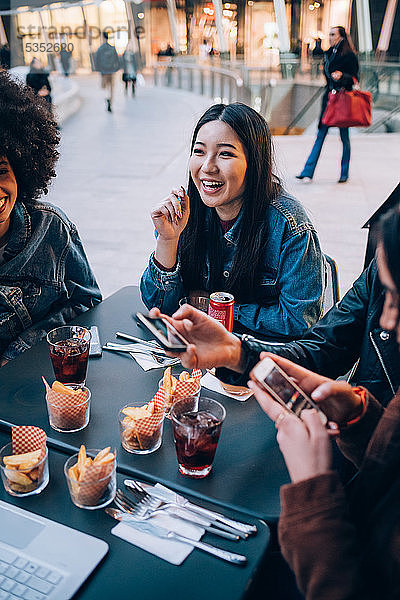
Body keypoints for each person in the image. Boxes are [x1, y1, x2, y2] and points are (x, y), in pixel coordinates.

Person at [245, 203, 400, 599]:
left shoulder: (289, 226)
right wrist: (360, 417)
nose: (384, 320)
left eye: (397, 298)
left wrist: (312, 485)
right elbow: (325, 342)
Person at [141, 102, 325, 341]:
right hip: (195, 358)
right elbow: (159, 308)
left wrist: (216, 310)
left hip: (257, 361)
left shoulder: (289, 225)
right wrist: (168, 239)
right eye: (199, 151)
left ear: (254, 162)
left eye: (225, 154)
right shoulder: (184, 213)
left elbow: (299, 321)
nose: (207, 167)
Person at [150, 255, 399, 407]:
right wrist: (236, 352)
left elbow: (296, 321)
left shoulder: (289, 224)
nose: (385, 320)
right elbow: (323, 350)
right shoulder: (384, 264)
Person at [0, 70, 101, 365]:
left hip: (41, 385)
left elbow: (88, 302)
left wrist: (18, 352)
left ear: (21, 169)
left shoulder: (51, 228)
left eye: (2, 170)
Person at [296, 26, 359, 184]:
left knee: (344, 138)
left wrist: (342, 76)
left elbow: (355, 78)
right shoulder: (328, 53)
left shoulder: (349, 55)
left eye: (333, 35)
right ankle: (307, 172)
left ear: (341, 37)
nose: (329, 37)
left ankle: (344, 173)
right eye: (329, 35)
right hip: (329, 100)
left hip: (343, 100)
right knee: (320, 135)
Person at [95, 32, 120, 113]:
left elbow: (97, 61)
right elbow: (117, 60)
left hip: (104, 72)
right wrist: (115, 69)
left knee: (104, 87)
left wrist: (100, 70)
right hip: (112, 71)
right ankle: (110, 100)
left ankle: (107, 98)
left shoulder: (100, 49)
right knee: (112, 88)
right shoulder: (112, 48)